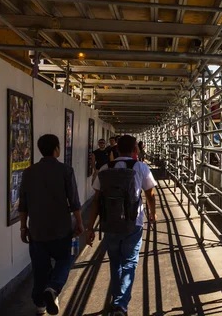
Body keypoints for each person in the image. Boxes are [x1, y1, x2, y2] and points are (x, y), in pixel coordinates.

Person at [86, 135, 157, 316]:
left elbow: (96, 200)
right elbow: (150, 193)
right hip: (134, 222)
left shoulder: (104, 168)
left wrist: (90, 227)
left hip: (110, 222)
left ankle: (117, 300)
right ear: (135, 150)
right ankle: (121, 304)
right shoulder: (140, 167)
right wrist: (152, 213)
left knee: (115, 262)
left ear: (116, 149)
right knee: (130, 263)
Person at [18, 134, 83, 316]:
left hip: (37, 230)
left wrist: (23, 227)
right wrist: (79, 222)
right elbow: (74, 201)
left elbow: (23, 204)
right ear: (56, 148)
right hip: (61, 228)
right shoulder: (65, 170)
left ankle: (40, 304)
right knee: (64, 260)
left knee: (40, 268)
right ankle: (53, 289)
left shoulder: (29, 172)